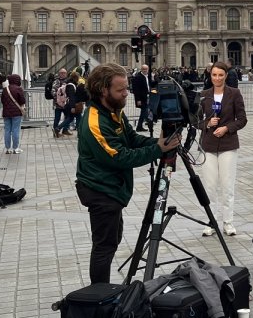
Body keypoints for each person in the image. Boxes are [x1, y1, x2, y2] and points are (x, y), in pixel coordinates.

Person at [75, 63, 178, 284]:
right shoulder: (95, 122)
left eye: (126, 88)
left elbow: (132, 139)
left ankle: (102, 291)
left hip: (111, 187)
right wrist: (158, 150)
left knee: (112, 240)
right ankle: (99, 295)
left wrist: (159, 144)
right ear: (104, 90)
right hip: (99, 188)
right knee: (104, 246)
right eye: (121, 90)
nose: (126, 94)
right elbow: (120, 157)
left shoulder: (113, 112)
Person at [197, 60, 247, 237]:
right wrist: (207, 123)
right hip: (209, 144)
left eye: (220, 75)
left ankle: (228, 222)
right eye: (214, 75)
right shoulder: (203, 95)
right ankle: (210, 222)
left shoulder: (234, 93)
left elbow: (242, 119)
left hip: (228, 144)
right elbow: (195, 121)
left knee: (227, 186)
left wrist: (227, 128)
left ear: (226, 76)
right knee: (209, 187)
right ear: (210, 76)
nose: (217, 78)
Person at [0, 73, 26, 154]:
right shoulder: (18, 89)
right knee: (15, 130)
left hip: (6, 112)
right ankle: (15, 148)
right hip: (16, 112)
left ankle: (8, 148)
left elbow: (2, 101)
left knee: (7, 130)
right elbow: (22, 101)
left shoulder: (5, 89)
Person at [131, 63, 154, 132]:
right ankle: (141, 126)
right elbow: (136, 90)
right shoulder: (138, 77)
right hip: (142, 98)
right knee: (144, 111)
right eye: (143, 69)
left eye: (146, 69)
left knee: (144, 111)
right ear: (141, 69)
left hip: (148, 96)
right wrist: (138, 99)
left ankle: (141, 125)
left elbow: (151, 84)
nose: (145, 70)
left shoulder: (148, 76)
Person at [50, 68, 73, 138]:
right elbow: (53, 91)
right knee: (57, 118)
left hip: (66, 104)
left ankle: (65, 130)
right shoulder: (56, 81)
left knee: (68, 117)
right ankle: (55, 132)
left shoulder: (68, 81)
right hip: (58, 104)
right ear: (59, 74)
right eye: (62, 73)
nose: (63, 74)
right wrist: (58, 99)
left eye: (64, 73)